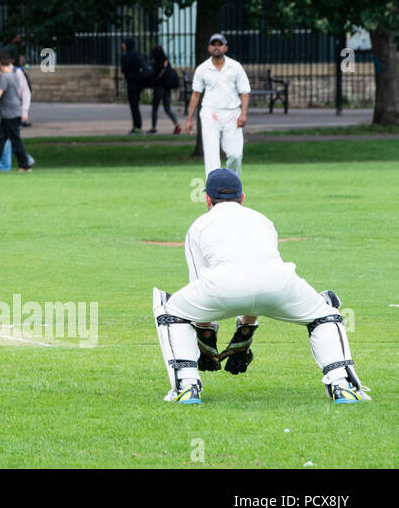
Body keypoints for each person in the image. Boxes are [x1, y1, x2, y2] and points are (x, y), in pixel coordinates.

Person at [153, 169, 370, 405]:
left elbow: (200, 285)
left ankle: (187, 386)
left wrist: (206, 338)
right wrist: (246, 327)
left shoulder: (198, 225)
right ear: (242, 197)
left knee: (170, 311)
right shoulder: (262, 220)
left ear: (207, 200)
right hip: (280, 284)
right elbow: (257, 275)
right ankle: (343, 385)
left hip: (222, 289)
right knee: (325, 313)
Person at [184, 33, 250, 175]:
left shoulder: (235, 67)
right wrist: (189, 119)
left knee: (235, 154)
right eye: (213, 44)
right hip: (210, 113)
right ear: (209, 48)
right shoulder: (202, 69)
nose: (216, 47)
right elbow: (196, 94)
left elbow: (244, 92)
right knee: (211, 156)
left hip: (232, 113)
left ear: (225, 47)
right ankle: (212, 189)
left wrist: (243, 114)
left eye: (219, 45)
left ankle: (232, 184)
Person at [119, 37, 152, 134]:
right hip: (139, 83)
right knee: (136, 105)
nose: (122, 45)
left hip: (132, 83)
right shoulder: (138, 54)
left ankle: (137, 126)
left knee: (134, 106)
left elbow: (124, 70)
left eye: (124, 43)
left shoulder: (126, 56)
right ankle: (137, 125)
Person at [148, 44, 181, 134]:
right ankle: (177, 125)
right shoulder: (166, 62)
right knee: (168, 109)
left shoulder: (156, 64)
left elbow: (154, 76)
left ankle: (154, 127)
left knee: (155, 108)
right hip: (167, 88)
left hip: (159, 88)